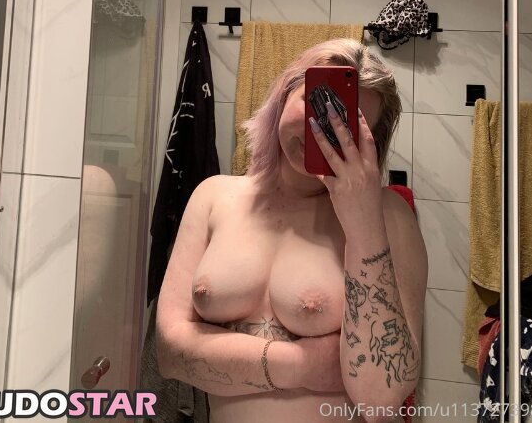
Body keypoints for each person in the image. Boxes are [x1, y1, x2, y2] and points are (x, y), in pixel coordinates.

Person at [156, 38, 428, 423]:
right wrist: (301, 366)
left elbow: (381, 397)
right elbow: (170, 355)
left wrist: (363, 223)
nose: (324, 130)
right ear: (285, 94)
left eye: (349, 123)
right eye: (318, 104)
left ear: (371, 142)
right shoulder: (213, 196)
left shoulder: (389, 216)